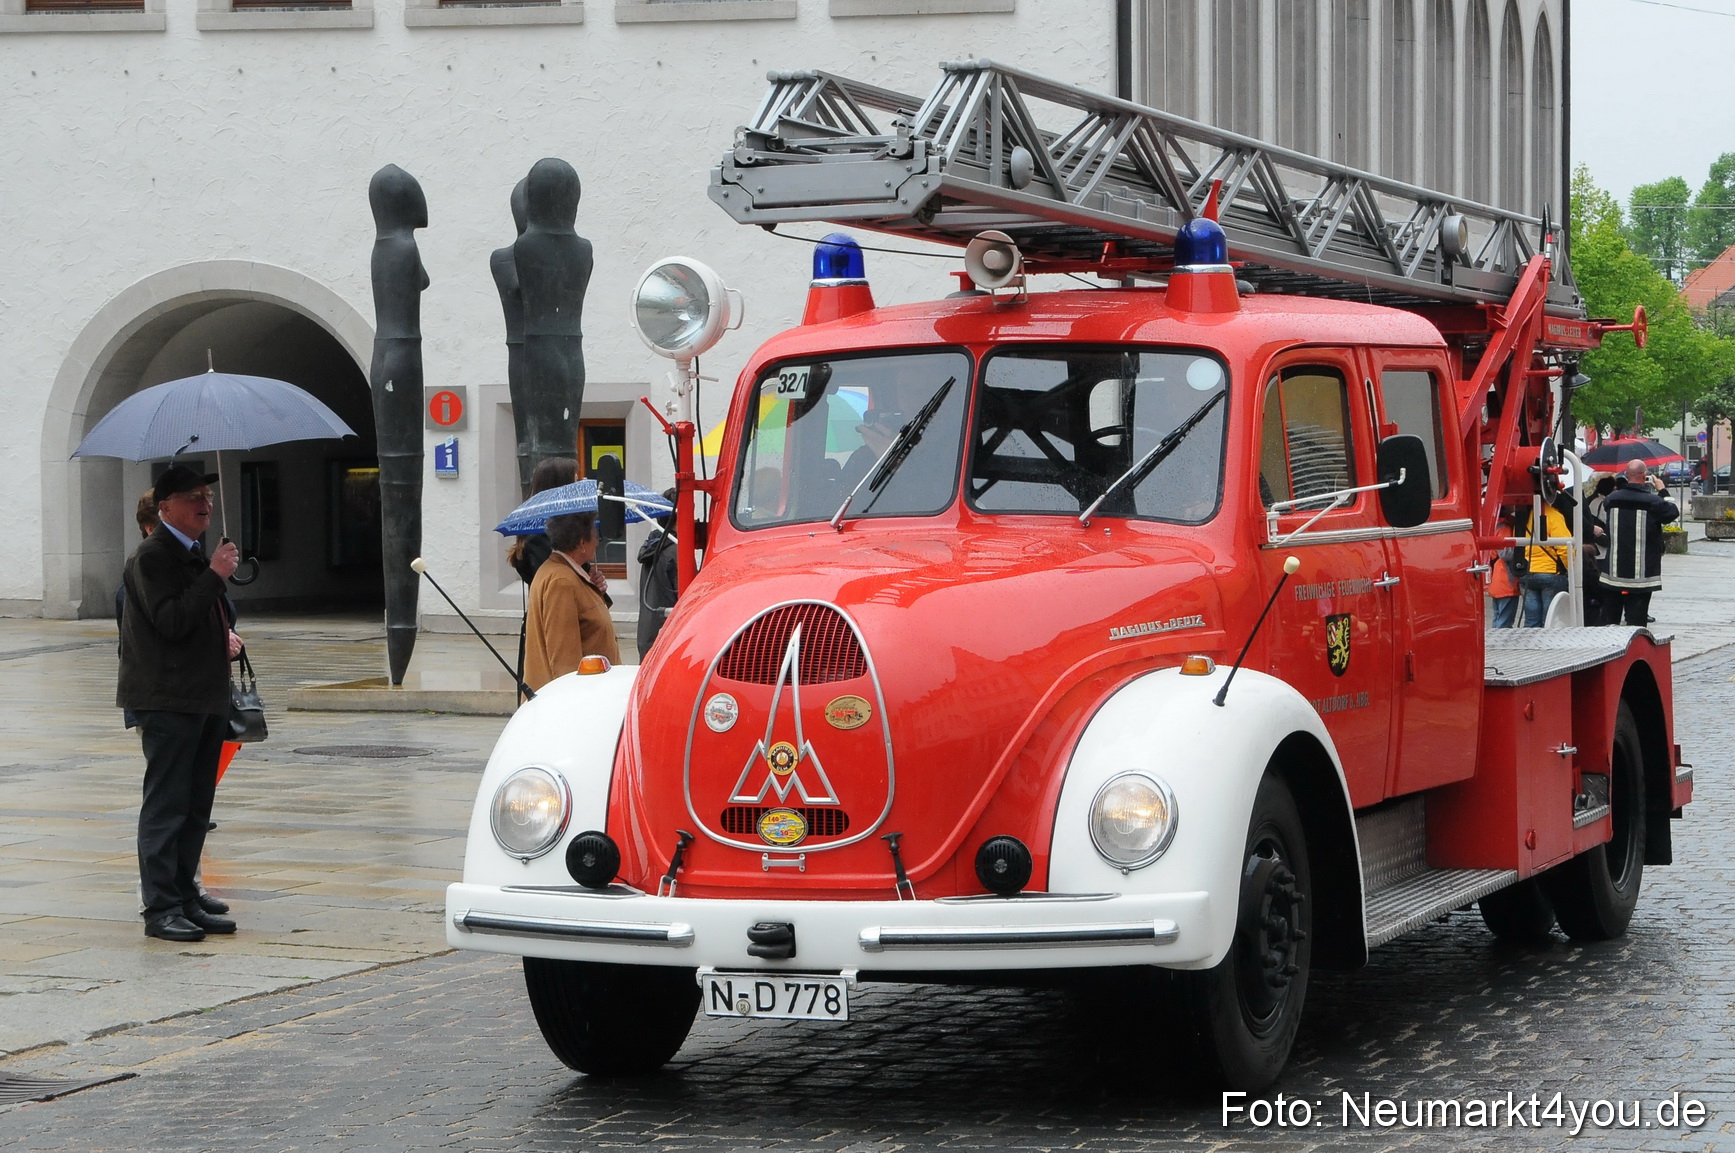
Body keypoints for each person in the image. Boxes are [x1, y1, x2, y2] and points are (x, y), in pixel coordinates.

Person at [118, 465, 245, 942]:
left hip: (202, 696)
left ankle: (186, 897)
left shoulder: (192, 553)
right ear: (165, 506)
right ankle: (161, 907)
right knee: (167, 806)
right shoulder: (154, 557)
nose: (205, 504)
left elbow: (202, 619)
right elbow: (171, 621)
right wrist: (214, 575)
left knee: (196, 806)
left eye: (208, 496)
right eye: (193, 497)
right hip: (168, 699)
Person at [524, 511, 620, 690]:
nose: (598, 542)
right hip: (575, 699)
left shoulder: (567, 573)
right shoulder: (562, 582)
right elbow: (564, 660)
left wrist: (593, 590)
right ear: (582, 543)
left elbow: (587, 621)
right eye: (595, 536)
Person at [1601, 459, 1679, 626]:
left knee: (1610, 622)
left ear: (1626, 475)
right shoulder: (1653, 502)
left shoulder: (1611, 500)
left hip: (1613, 574)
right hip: (1642, 577)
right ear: (1644, 476)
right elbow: (1672, 513)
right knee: (1636, 622)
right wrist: (1662, 490)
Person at [1518, 495, 1574, 628]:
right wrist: (1570, 570)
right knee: (1550, 621)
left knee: (1531, 622)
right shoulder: (1553, 516)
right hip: (1551, 572)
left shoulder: (1523, 518)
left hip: (1527, 572)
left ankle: (1531, 647)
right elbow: (1565, 548)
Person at [636, 490, 679, 658]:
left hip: (648, 634)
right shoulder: (675, 551)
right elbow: (688, 597)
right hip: (668, 635)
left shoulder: (653, 546)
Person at [1489, 510, 1521, 628]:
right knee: (1504, 623)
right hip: (1506, 580)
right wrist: (1523, 550)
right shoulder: (1504, 527)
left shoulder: (1493, 525)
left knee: (1498, 619)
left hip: (1497, 580)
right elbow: (1506, 553)